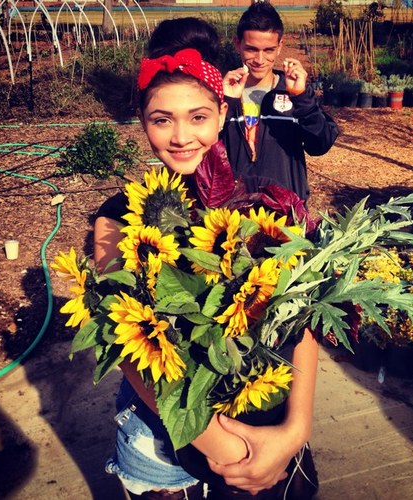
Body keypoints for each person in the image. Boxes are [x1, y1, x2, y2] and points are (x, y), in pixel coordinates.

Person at [94, 18, 319, 500]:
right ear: (142, 121)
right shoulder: (118, 219)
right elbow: (131, 348)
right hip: (165, 434)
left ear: (222, 113)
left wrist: (295, 431)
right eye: (161, 119)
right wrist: (225, 447)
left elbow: (298, 318)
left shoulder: (259, 206)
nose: (180, 137)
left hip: (264, 423)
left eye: (197, 117)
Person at [221, 1, 339, 203]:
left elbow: (320, 145)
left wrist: (302, 98)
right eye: (251, 49)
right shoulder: (224, 92)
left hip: (286, 216)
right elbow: (205, 150)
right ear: (237, 44)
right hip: (232, 216)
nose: (260, 59)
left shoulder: (293, 92)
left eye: (268, 50)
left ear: (279, 47)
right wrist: (226, 102)